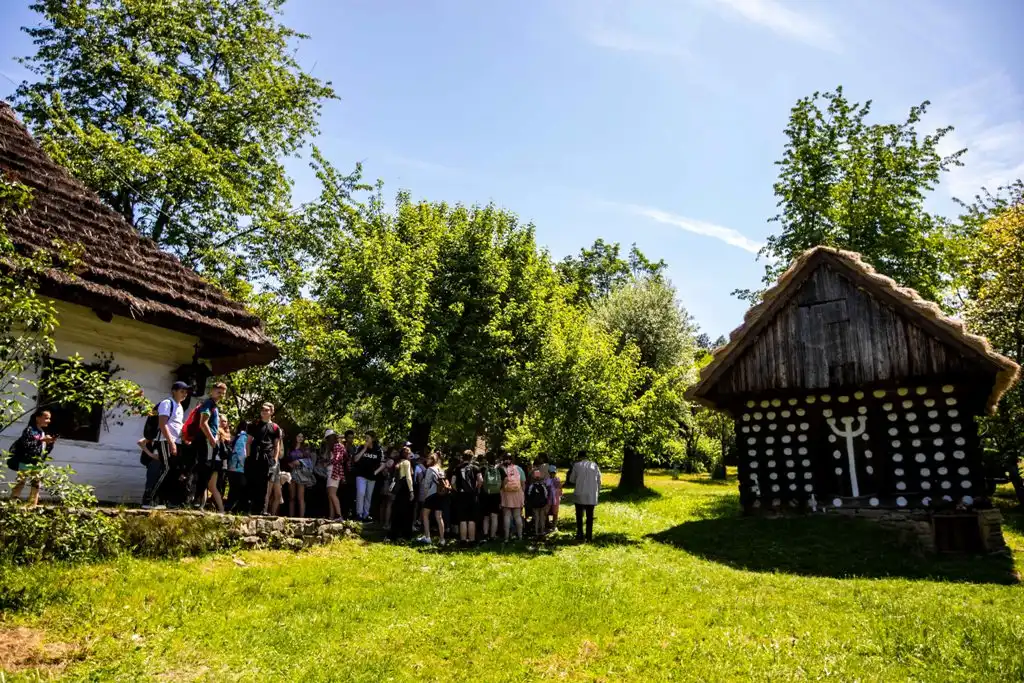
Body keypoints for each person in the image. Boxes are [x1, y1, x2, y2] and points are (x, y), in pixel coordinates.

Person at [141, 381, 189, 509]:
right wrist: (171, 442)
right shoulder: (167, 403)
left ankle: (162, 501)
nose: (184, 394)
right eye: (182, 391)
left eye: (186, 392)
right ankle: (149, 499)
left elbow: (177, 425)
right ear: (174, 391)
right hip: (165, 441)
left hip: (176, 442)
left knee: (173, 471)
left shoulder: (180, 407)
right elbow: (163, 425)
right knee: (167, 469)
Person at [7, 409, 56, 506]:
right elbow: (27, 445)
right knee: (20, 483)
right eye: (46, 418)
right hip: (26, 461)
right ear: (38, 418)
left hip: (37, 462)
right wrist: (42, 440)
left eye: (49, 419)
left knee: (36, 485)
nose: (49, 421)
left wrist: (50, 443)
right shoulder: (30, 430)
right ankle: (11, 504)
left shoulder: (42, 432)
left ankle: (32, 505)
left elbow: (44, 451)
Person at [246, 402, 282, 515]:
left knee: (264, 484)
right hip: (254, 456)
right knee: (252, 482)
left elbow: (277, 445)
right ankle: (248, 508)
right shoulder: (254, 424)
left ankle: (261, 509)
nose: (264, 411)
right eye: (262, 409)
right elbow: (248, 442)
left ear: (271, 412)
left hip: (267, 458)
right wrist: (248, 456)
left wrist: (275, 460)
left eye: (266, 410)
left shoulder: (275, 428)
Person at [196, 382, 225, 513]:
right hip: (207, 442)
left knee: (207, 471)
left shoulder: (214, 406)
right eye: (218, 392)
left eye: (223, 393)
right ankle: (198, 503)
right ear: (212, 391)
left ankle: (201, 504)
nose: (221, 395)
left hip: (210, 442)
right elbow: (203, 423)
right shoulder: (208, 404)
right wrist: (212, 439)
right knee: (205, 470)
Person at [568, 450, 602, 542]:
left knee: (579, 516)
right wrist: (597, 492)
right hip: (591, 494)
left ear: (579, 457)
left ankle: (580, 534)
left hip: (580, 493)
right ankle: (589, 536)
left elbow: (572, 480)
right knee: (589, 516)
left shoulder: (577, 465)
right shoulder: (594, 465)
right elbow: (599, 480)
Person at [417, 452, 449, 546]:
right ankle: (442, 539)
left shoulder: (430, 469)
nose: (426, 460)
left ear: (432, 460)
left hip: (431, 495)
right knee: (439, 517)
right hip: (441, 495)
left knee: (425, 515)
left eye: (428, 459)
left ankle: (427, 537)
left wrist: (425, 496)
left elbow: (426, 484)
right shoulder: (441, 469)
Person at [353, 430, 385, 521]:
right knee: (361, 493)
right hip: (361, 474)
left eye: (368, 438)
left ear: (373, 439)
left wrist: (376, 472)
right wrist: (364, 449)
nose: (366, 439)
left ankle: (366, 515)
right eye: (365, 438)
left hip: (372, 477)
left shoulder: (378, 450)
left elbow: (383, 464)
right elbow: (355, 459)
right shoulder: (361, 447)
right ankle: (359, 514)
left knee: (368, 496)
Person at [453, 449, 482, 544]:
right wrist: (477, 488)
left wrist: (457, 489)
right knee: (472, 519)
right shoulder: (476, 468)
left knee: (462, 518)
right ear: (472, 457)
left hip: (461, 495)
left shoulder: (457, 468)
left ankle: (463, 540)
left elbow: (453, 481)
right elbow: (481, 480)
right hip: (472, 495)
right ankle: (472, 540)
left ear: (463, 457)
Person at [388, 446, 416, 541]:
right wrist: (411, 491)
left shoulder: (399, 462)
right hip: (405, 488)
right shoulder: (407, 462)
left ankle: (395, 533)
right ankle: (405, 534)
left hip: (399, 489)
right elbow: (408, 477)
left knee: (397, 511)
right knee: (407, 512)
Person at [285, 433, 315, 518]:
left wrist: (300, 462)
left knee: (300, 497)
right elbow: (286, 459)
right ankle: (291, 517)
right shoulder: (290, 448)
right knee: (291, 497)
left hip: (301, 474)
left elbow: (309, 462)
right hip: (291, 473)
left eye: (302, 436)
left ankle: (301, 518)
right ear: (295, 437)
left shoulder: (305, 449)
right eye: (298, 436)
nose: (300, 438)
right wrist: (289, 464)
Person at [499, 452, 525, 541]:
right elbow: (523, 483)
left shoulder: (501, 469)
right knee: (517, 516)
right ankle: (520, 536)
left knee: (507, 516)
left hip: (506, 494)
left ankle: (506, 537)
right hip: (517, 494)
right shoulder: (519, 469)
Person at [226, 420, 249, 512]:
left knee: (233, 490)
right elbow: (241, 453)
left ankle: (229, 508)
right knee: (237, 490)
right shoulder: (244, 437)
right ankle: (232, 509)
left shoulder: (237, 437)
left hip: (232, 467)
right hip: (239, 468)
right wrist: (245, 466)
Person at [325, 430, 347, 520]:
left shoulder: (337, 445)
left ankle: (339, 515)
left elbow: (338, 458)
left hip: (334, 472)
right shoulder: (334, 446)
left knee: (332, 494)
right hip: (331, 472)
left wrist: (328, 463)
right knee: (330, 495)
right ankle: (331, 516)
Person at [480, 452, 503, 542]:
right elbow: (505, 480)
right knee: (494, 516)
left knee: (486, 516)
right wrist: (499, 488)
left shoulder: (483, 468)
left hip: (485, 494)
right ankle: (493, 536)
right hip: (496, 494)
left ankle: (485, 534)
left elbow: (480, 481)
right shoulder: (499, 469)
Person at [527, 468, 550, 537]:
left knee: (536, 518)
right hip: (542, 504)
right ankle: (542, 531)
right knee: (542, 518)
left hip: (534, 504)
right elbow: (546, 495)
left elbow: (529, 494)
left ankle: (536, 531)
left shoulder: (531, 486)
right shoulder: (543, 486)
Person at [341, 430, 358, 518]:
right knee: (344, 496)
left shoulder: (355, 448)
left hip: (353, 475)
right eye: (349, 438)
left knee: (352, 496)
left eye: (352, 438)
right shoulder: (342, 447)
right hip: (344, 474)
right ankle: (344, 513)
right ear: (346, 438)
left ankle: (352, 514)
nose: (351, 440)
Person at [380, 454, 397, 529]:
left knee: (384, 503)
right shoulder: (392, 461)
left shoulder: (387, 461)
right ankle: (386, 524)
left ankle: (382, 522)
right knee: (389, 503)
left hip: (386, 482)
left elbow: (384, 472)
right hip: (390, 483)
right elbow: (385, 473)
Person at [546, 464, 563, 532]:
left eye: (554, 473)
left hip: (556, 498)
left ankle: (554, 526)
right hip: (549, 498)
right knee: (546, 512)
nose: (552, 474)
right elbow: (546, 488)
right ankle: (547, 524)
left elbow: (560, 488)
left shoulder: (557, 479)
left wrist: (560, 494)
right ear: (549, 472)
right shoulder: (547, 480)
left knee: (555, 512)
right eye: (551, 472)